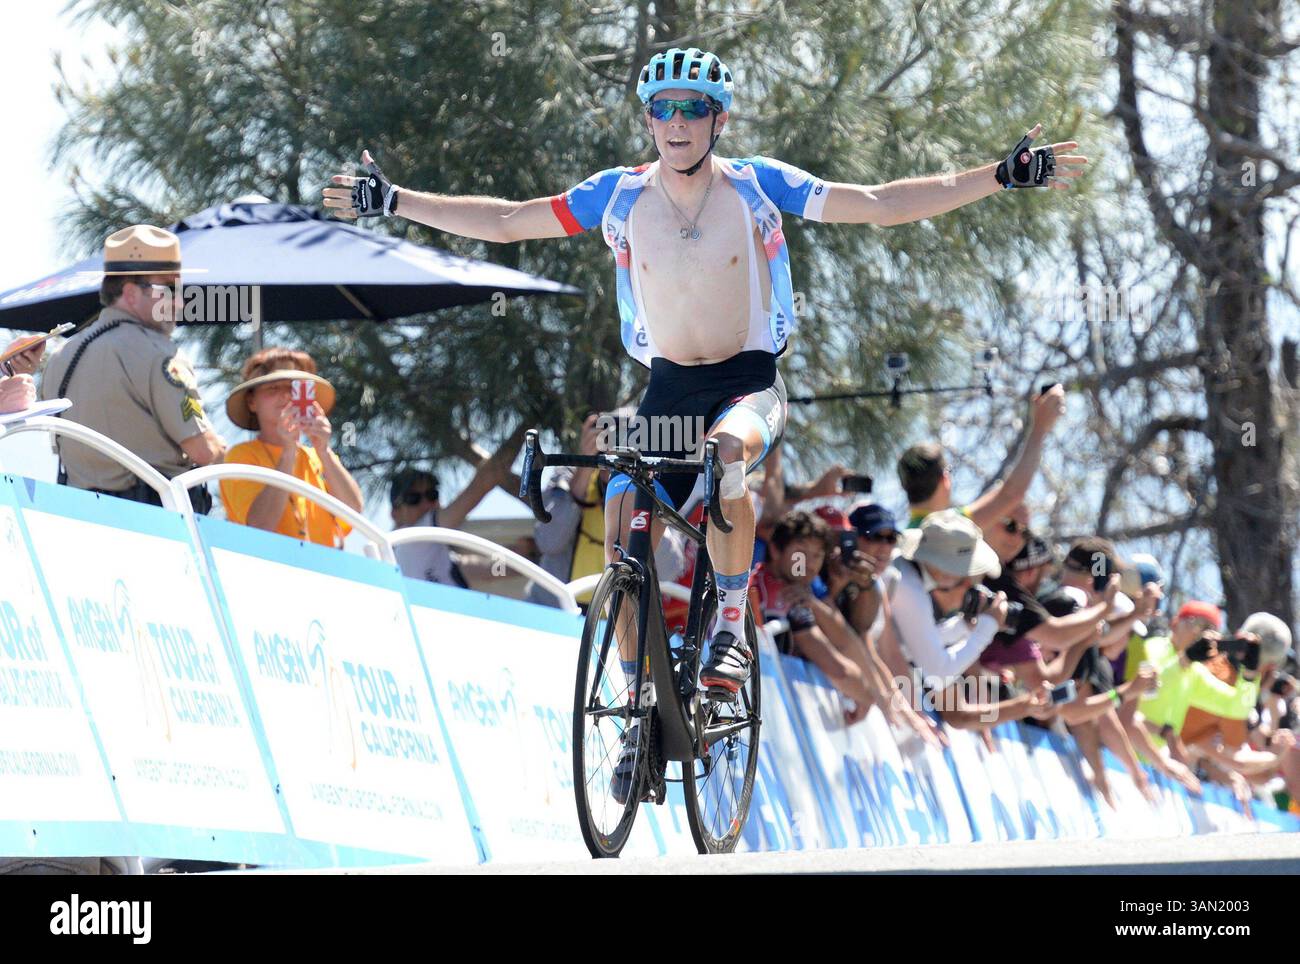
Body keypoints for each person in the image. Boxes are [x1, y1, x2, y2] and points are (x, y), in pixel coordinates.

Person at [323, 45, 1086, 780]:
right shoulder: (617, 195)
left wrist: (1000, 176)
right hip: (666, 390)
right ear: (648, 120)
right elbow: (509, 219)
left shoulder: (758, 186)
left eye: (693, 108)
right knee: (622, 524)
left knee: (725, 458)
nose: (676, 121)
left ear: (720, 120)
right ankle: (637, 701)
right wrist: (393, 199)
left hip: (746, 385)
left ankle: (726, 630)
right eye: (662, 109)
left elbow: (882, 205)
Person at [39, 226, 225, 509]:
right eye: (170, 288)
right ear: (130, 293)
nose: (179, 301)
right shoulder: (158, 353)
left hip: (78, 519)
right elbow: (203, 450)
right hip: (155, 523)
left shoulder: (62, 354)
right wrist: (223, 450)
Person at [219, 348, 363, 548]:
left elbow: (354, 511)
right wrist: (288, 452)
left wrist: (324, 450)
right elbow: (259, 525)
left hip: (324, 572)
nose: (285, 396)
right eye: (273, 388)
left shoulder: (318, 456)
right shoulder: (241, 455)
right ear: (252, 401)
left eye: (293, 388)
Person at [896, 384, 1066, 531]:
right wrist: (1040, 428)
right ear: (944, 479)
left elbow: (1009, 494)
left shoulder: (900, 540)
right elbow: (1011, 494)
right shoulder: (951, 528)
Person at [390, 443, 518, 587]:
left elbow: (493, 569)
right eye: (413, 498)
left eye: (432, 495)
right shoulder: (413, 540)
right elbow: (482, 484)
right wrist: (526, 430)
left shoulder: (433, 555)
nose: (426, 504)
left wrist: (525, 553)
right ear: (395, 513)